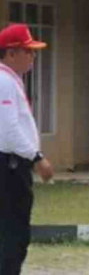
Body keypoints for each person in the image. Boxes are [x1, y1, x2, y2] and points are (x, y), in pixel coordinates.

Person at [0, 24, 53, 275]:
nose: (32, 56)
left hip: (12, 163)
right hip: (9, 165)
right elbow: (9, 130)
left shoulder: (12, 81)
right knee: (14, 233)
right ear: (11, 53)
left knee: (13, 233)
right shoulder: (4, 82)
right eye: (27, 51)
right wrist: (36, 157)